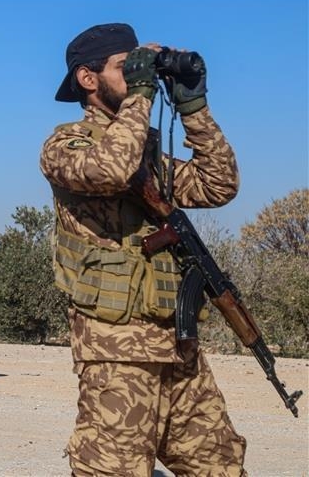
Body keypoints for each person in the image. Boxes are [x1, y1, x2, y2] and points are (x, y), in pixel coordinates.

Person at [40, 23, 247, 475]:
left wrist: (194, 107)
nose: (141, 78)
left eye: (142, 69)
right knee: (113, 470)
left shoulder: (150, 156)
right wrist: (140, 94)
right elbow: (111, 169)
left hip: (179, 343)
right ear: (87, 79)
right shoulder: (65, 144)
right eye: (126, 68)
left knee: (220, 464)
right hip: (117, 352)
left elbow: (219, 185)